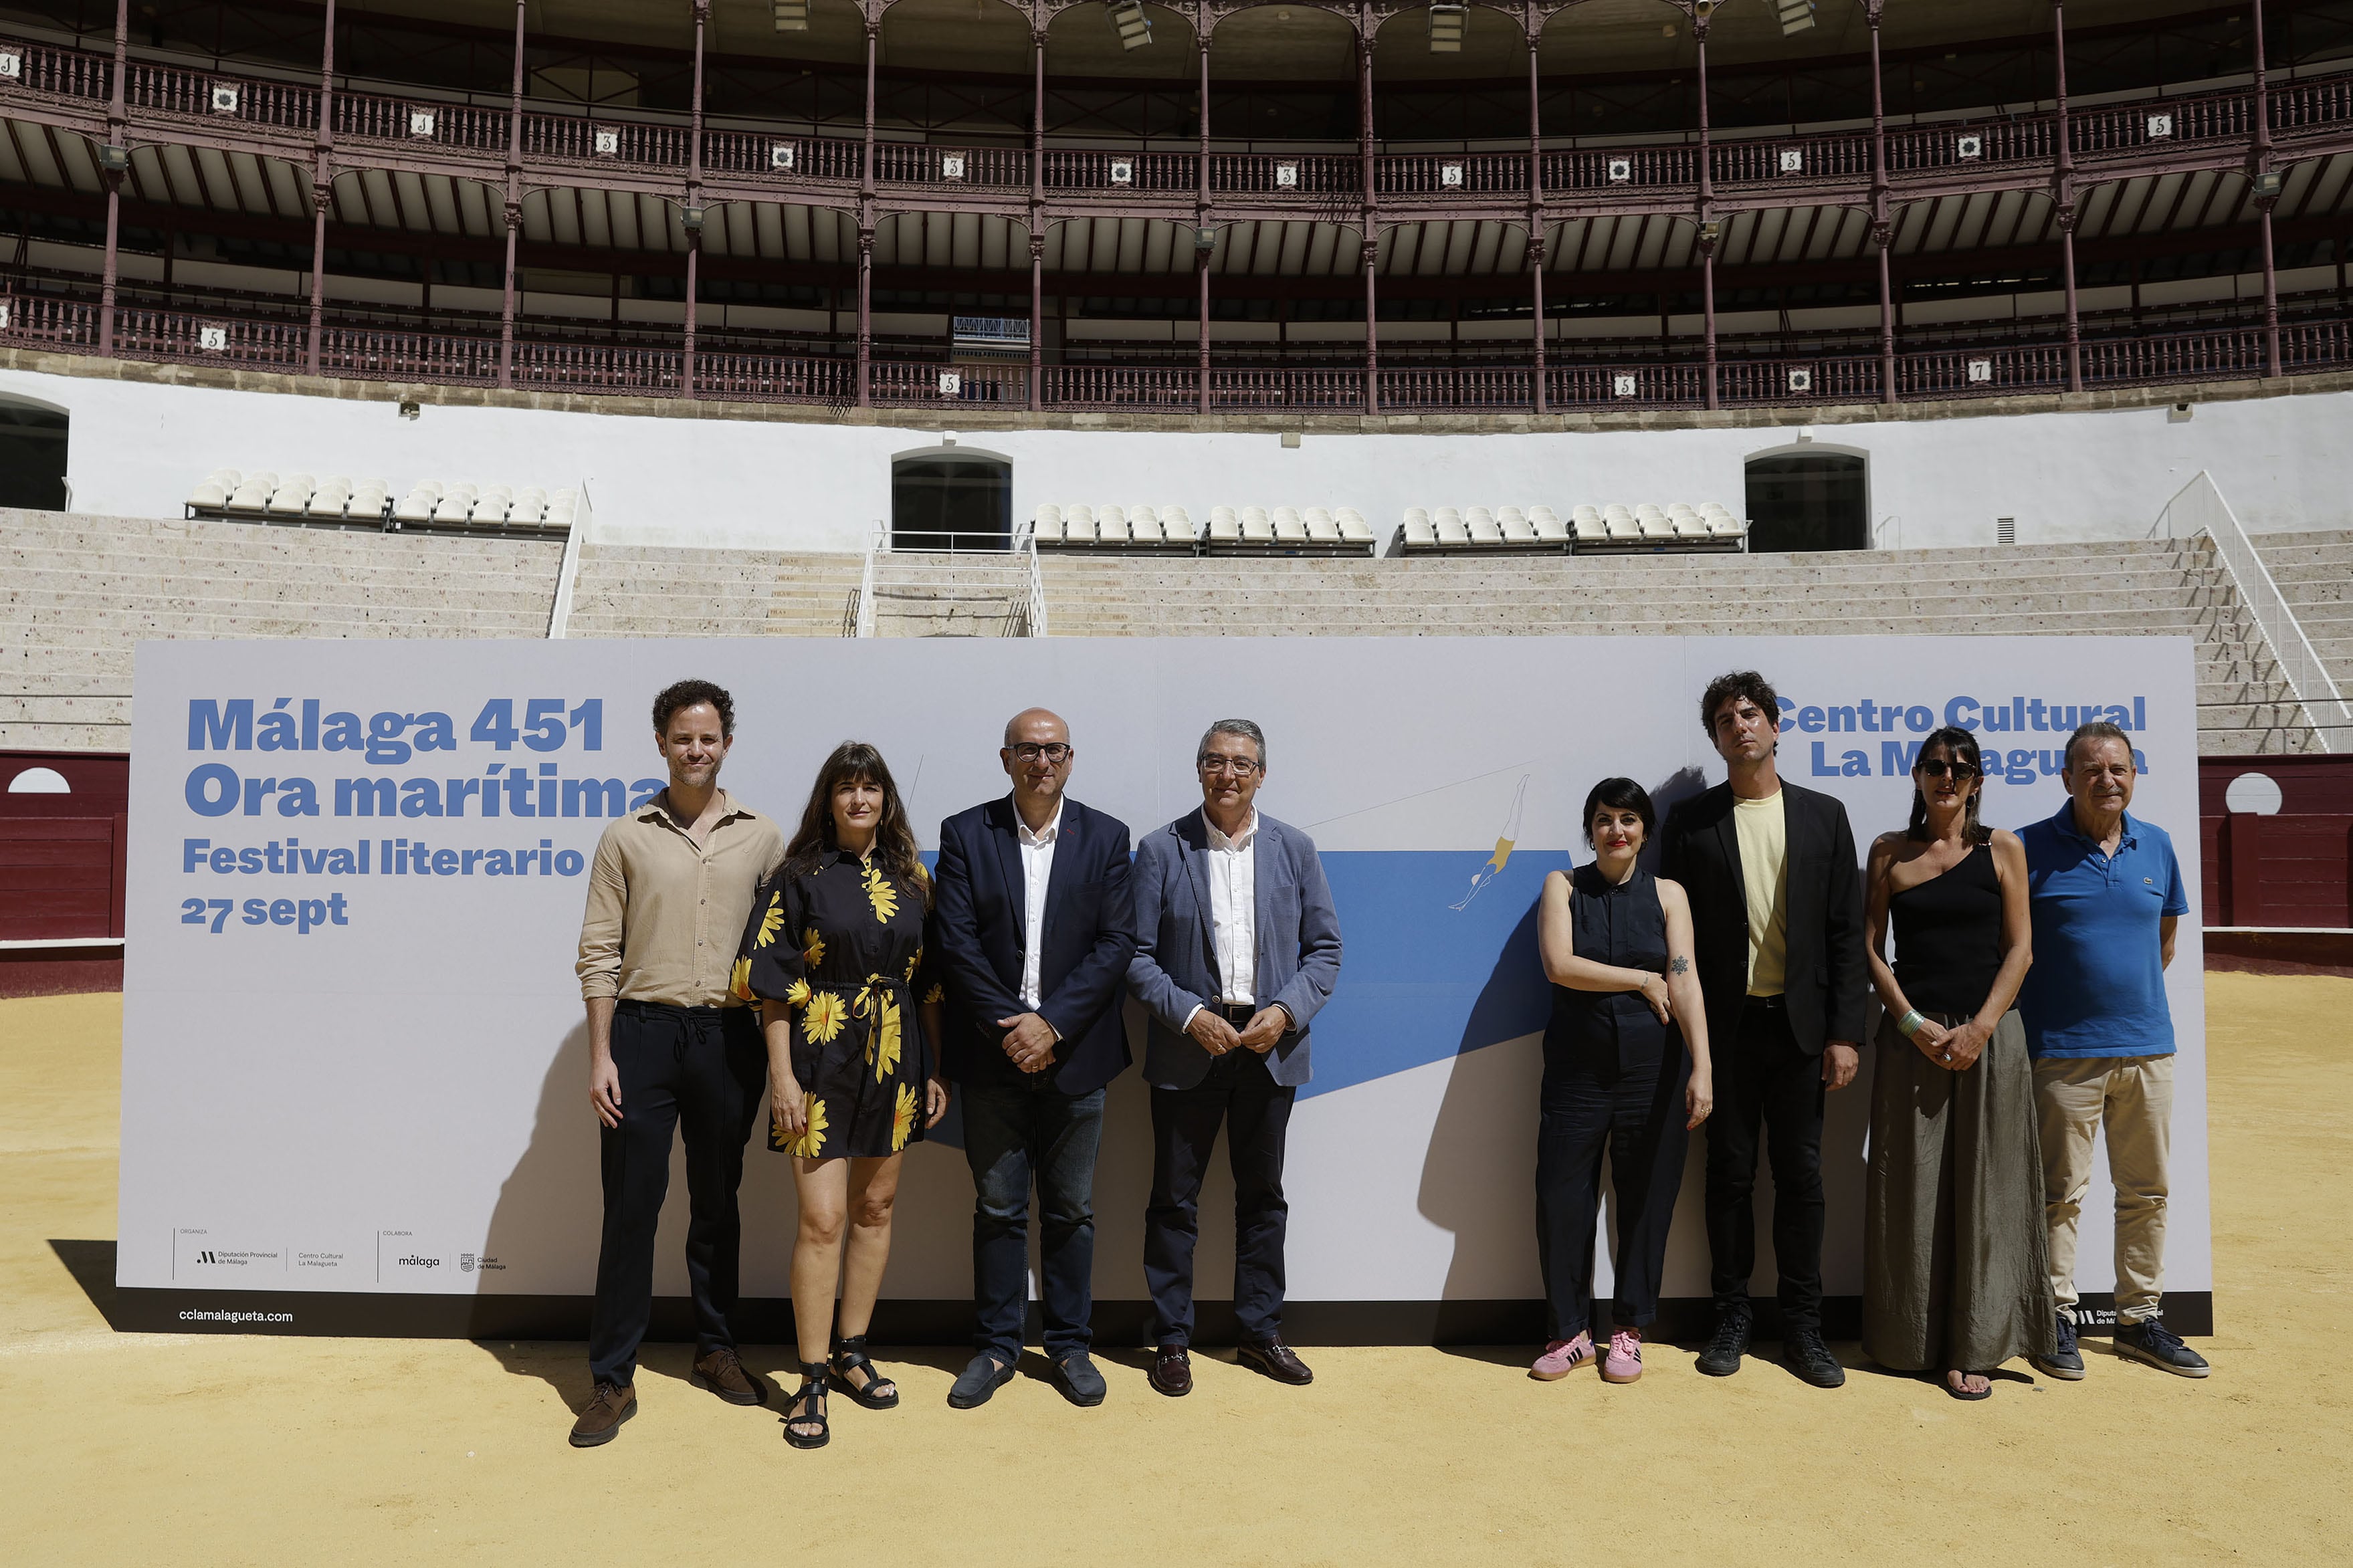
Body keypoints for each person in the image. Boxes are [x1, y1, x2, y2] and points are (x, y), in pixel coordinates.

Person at [569, 679, 785, 1448]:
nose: (696, 749)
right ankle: (612, 1377)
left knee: (717, 1203)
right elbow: (596, 952)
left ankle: (716, 1351)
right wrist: (600, 1054)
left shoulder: (764, 836)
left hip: (727, 1040)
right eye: (682, 737)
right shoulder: (624, 835)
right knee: (630, 1208)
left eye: (708, 737)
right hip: (641, 1035)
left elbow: (778, 954)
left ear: (725, 743)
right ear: (661, 743)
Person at [736, 742, 952, 1448]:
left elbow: (929, 985)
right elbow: (766, 982)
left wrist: (932, 1069)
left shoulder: (913, 876)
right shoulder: (796, 875)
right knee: (822, 1219)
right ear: (828, 799)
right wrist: (782, 1075)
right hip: (817, 1055)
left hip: (895, 1056)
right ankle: (809, 1376)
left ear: (886, 798)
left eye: (871, 787)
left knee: (874, 1205)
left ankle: (852, 1350)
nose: (860, 798)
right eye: (846, 787)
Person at [1660, 669, 1868, 1389]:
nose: (1738, 726)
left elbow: (1846, 932)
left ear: (1776, 726)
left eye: (1749, 714)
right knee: (1727, 1176)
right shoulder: (1689, 824)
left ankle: (1803, 1327)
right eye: (1723, 719)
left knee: (1801, 1177)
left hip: (1801, 1031)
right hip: (1723, 1032)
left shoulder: (1824, 815)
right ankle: (1731, 1316)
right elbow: (1673, 936)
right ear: (1716, 739)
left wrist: (1845, 1031)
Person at [1126, 719, 1344, 1396]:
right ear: (1198, 770)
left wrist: (1283, 1012)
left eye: (1241, 763)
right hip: (1190, 1045)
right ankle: (1170, 1338)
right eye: (1215, 761)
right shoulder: (1161, 849)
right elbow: (1133, 956)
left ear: (1261, 773)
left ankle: (1259, 1330)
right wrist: (1190, 1014)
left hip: (1267, 1048)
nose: (1228, 774)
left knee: (1262, 1199)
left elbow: (1325, 951)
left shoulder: (1295, 848)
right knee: (1173, 1202)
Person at [932, 707, 1136, 1410]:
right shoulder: (965, 833)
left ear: (1070, 759)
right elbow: (954, 943)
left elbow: (1115, 944)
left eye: (1052, 750)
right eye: (1027, 749)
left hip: (1077, 1054)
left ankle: (1070, 1343)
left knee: (1072, 1210)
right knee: (997, 1207)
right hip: (992, 1059)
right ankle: (995, 1345)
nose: (1040, 761)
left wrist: (1049, 1024)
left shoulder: (1107, 836)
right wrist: (1010, 1029)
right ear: (1005, 757)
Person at [1861, 727, 2053, 1401]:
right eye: (1936, 766)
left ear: (1976, 780)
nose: (1948, 776)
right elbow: (1870, 950)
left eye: (1961, 767)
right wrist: (1911, 1023)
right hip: (1911, 1039)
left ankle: (1976, 1343)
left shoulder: (2002, 848)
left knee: (1987, 1189)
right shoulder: (1887, 850)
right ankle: (1907, 1339)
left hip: (1987, 1038)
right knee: (1909, 1189)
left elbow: (2020, 949)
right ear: (1916, 774)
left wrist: (1979, 1027)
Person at [2018, 720, 2207, 1379]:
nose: (2106, 779)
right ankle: (2054, 1317)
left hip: (2147, 1049)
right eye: (2091, 769)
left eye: (2117, 768)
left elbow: (2163, 940)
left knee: (2146, 1191)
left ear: (2133, 775)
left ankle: (2137, 1319)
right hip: (2062, 1052)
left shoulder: (2156, 846)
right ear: (2066, 777)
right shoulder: (2025, 849)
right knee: (2056, 1195)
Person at [1530, 778, 1713, 1386]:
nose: (1617, 830)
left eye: (1629, 819)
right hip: (1577, 1073)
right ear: (1591, 828)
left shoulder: (1669, 894)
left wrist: (1703, 1066)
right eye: (1605, 818)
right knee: (1563, 1200)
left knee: (1646, 1202)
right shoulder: (1563, 885)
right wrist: (1640, 979)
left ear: (1644, 830)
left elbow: (1683, 979)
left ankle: (1629, 1330)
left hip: (1654, 1070)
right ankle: (1570, 1332)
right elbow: (1560, 965)